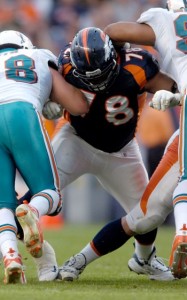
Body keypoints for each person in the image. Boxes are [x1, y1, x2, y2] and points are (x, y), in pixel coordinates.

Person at [39, 27, 182, 281]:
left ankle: (145, 257)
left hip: (122, 150)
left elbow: (175, 85)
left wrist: (173, 93)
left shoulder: (137, 65)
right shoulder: (66, 65)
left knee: (147, 215)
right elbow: (48, 87)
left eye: (101, 74)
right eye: (89, 77)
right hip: (76, 140)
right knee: (38, 189)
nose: (97, 82)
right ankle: (15, 247)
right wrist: (50, 101)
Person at [103, 0, 187, 279]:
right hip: (176, 114)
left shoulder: (163, 19)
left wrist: (125, 58)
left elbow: (113, 31)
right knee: (146, 211)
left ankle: (182, 232)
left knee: (175, 186)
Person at [0, 29, 88, 284]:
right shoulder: (39, 56)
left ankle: (11, 257)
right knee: (50, 193)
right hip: (22, 112)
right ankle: (32, 211)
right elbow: (78, 105)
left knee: (3, 204)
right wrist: (51, 98)